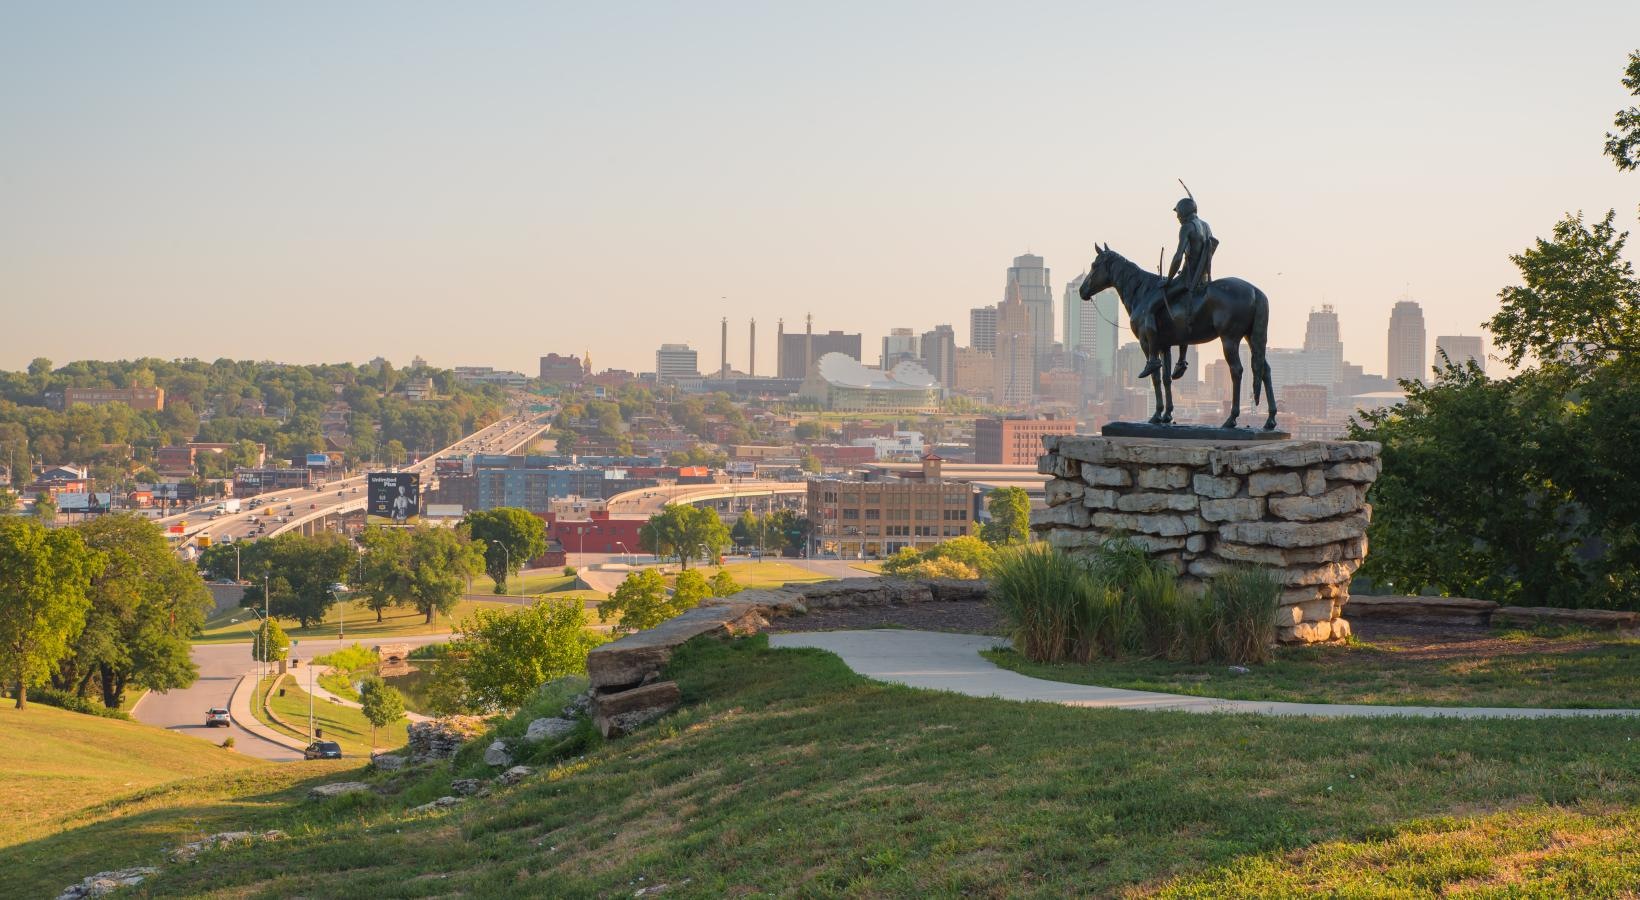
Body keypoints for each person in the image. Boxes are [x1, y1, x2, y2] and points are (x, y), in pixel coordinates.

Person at [1136, 194, 1218, 379]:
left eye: (1178, 213)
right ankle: (1181, 360)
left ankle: (1152, 359)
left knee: (1149, 308)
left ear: (1183, 212)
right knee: (1181, 312)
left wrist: (1169, 279)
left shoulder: (1187, 228)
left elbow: (1178, 256)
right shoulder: (1205, 226)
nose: (1177, 217)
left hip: (1187, 279)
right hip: (1203, 279)